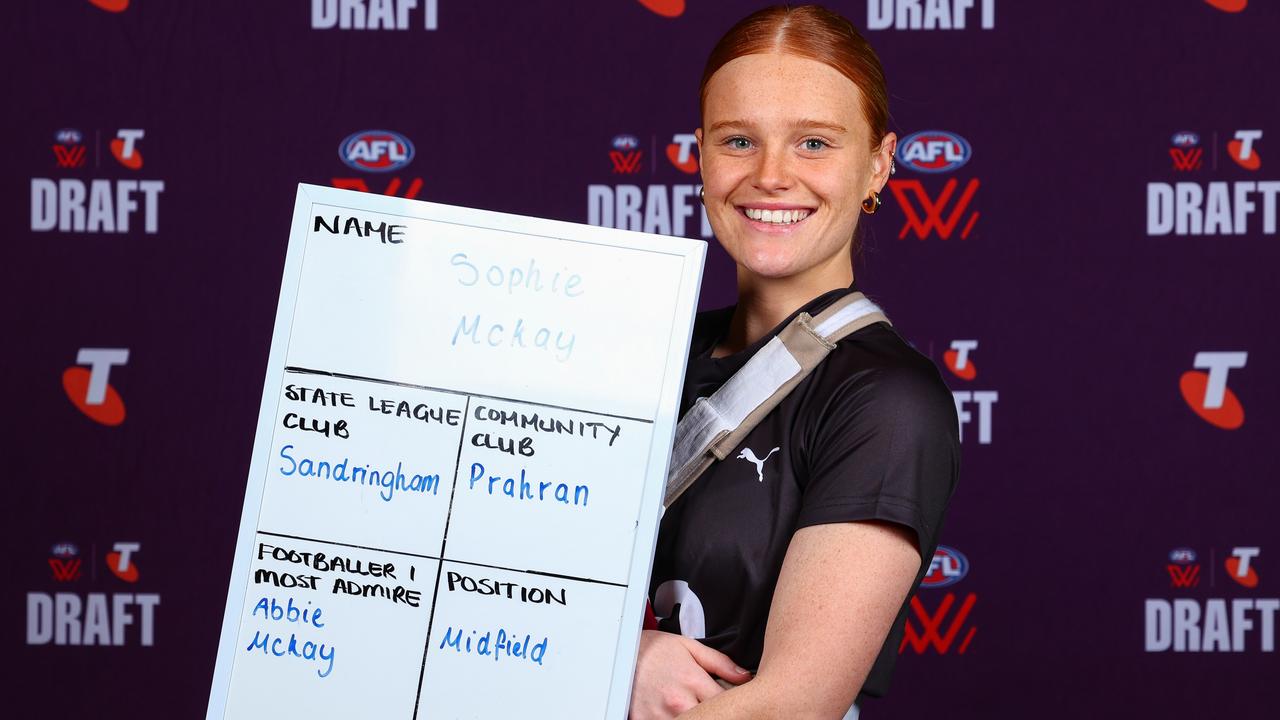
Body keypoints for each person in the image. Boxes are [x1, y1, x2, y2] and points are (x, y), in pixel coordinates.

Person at [630, 6, 960, 719]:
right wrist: (622, 658)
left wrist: (587, 671)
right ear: (700, 156)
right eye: (739, 140)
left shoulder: (885, 401)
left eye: (813, 142)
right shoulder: (641, 348)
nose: (772, 175)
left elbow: (791, 707)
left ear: (877, 163)